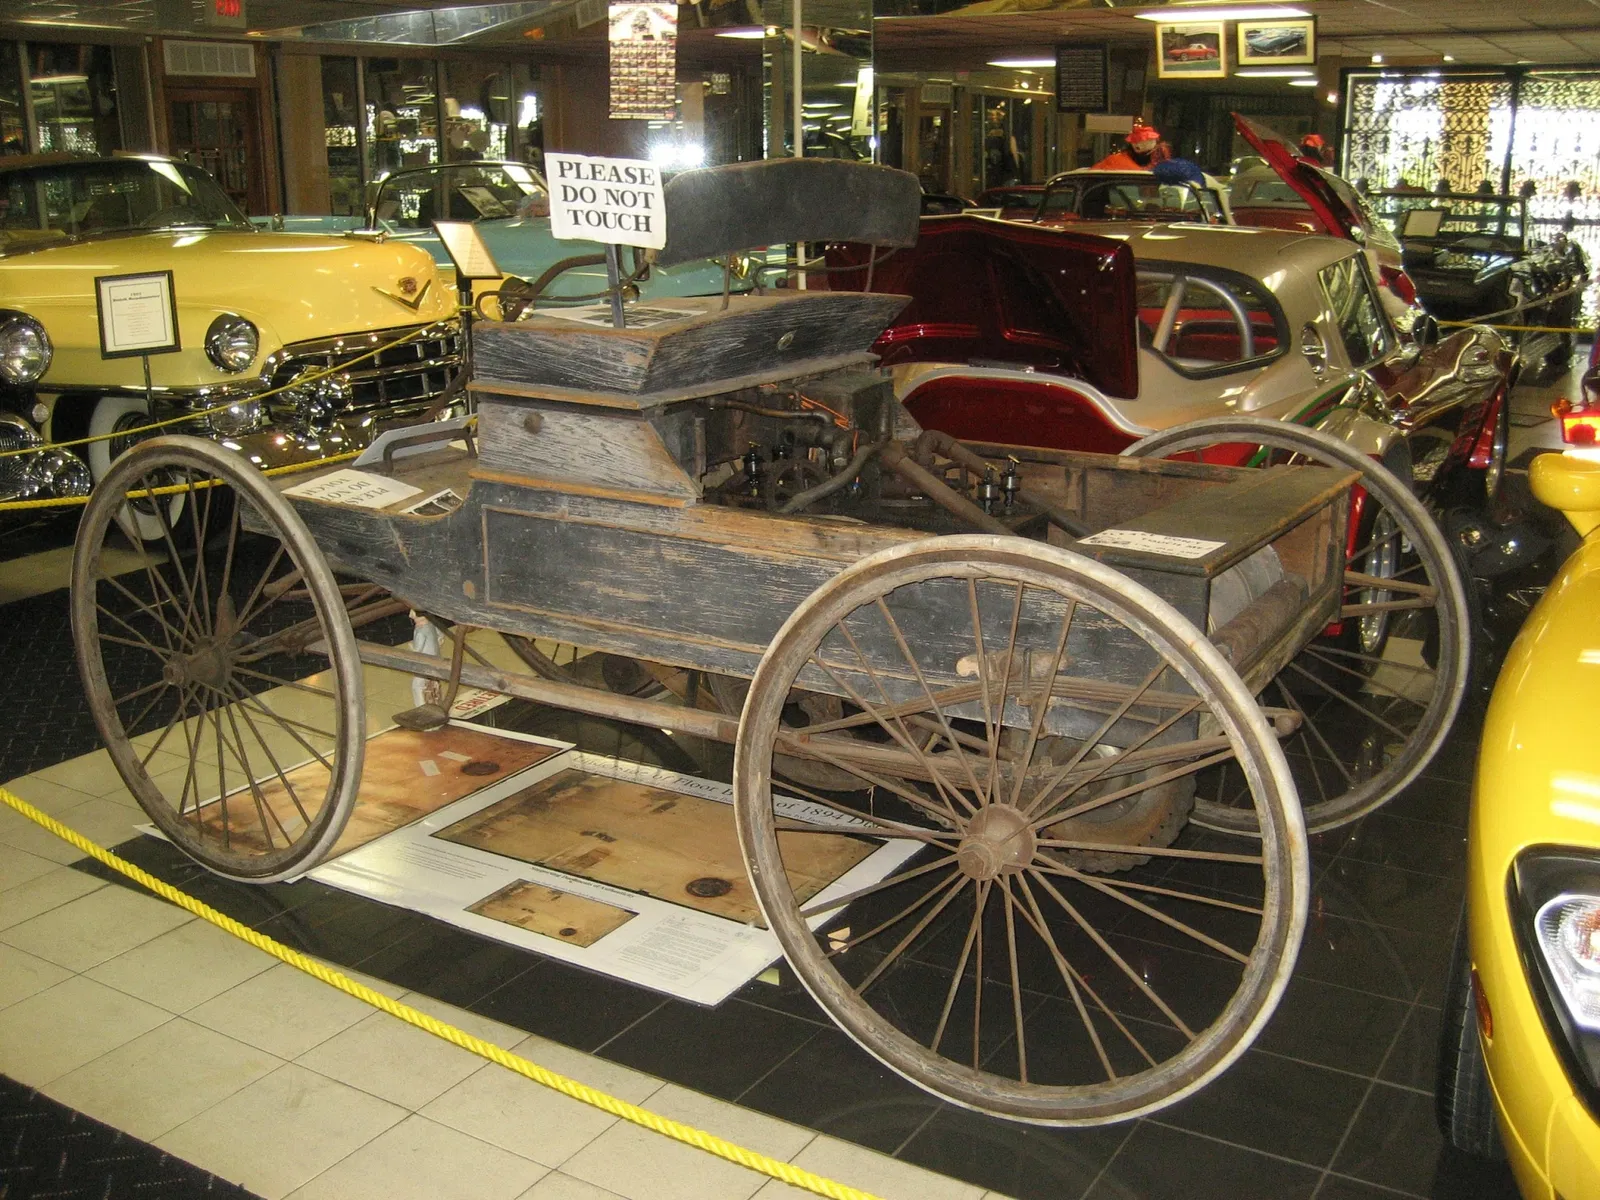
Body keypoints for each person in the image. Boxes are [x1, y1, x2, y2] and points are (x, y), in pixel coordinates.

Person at [1094, 123, 1168, 171]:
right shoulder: (1116, 160)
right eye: (1134, 141)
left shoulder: (1161, 159)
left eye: (1142, 140)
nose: (1137, 144)